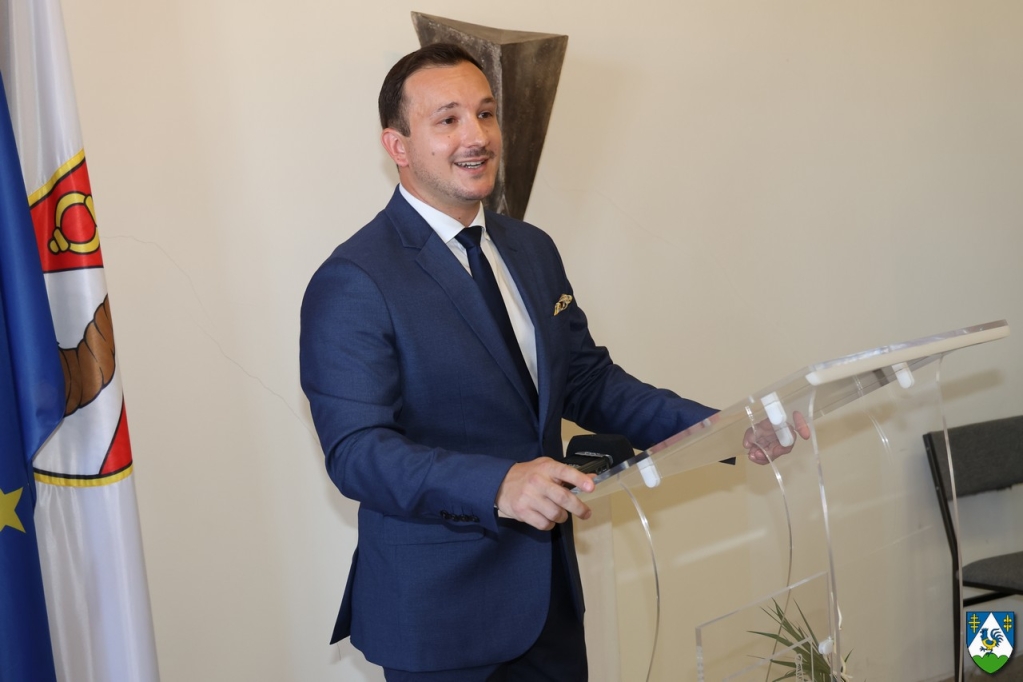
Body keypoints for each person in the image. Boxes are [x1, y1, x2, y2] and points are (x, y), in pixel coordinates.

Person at [300, 42, 798, 682]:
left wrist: (725, 429)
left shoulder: (531, 249)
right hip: (441, 621)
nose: (477, 136)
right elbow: (357, 452)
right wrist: (498, 484)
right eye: (448, 119)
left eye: (485, 114)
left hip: (551, 606)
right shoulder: (354, 279)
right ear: (397, 145)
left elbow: (587, 382)